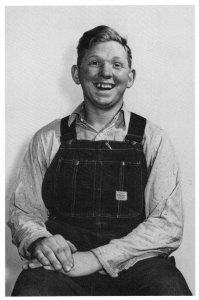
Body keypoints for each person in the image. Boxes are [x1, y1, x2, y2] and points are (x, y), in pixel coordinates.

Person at [8, 25, 192, 296]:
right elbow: (24, 210)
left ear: (130, 77)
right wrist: (41, 242)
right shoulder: (47, 139)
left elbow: (168, 224)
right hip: (65, 263)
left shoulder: (153, 138)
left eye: (117, 64)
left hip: (137, 263)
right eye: (94, 63)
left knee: (170, 289)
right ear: (76, 73)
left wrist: (95, 259)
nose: (105, 72)